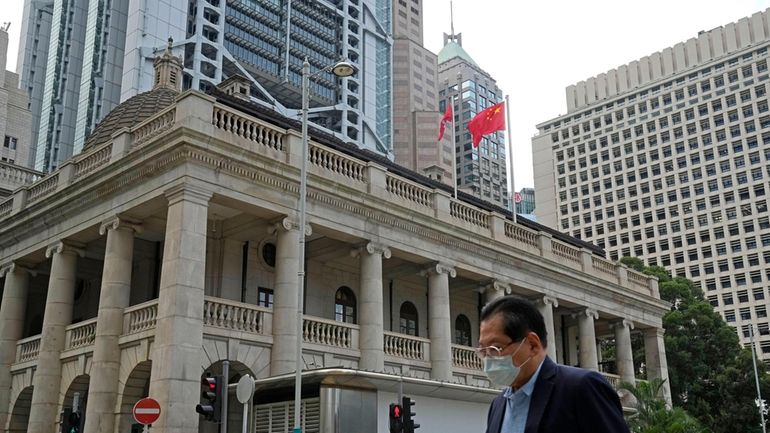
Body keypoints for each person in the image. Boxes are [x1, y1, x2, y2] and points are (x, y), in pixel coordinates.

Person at [479, 295, 630, 433]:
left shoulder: (581, 387)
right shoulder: (498, 405)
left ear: (532, 344)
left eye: (496, 348)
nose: (488, 359)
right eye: (483, 350)